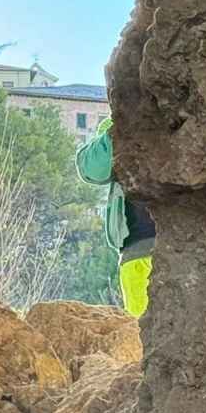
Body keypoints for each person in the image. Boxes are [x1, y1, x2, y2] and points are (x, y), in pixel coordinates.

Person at [76, 116, 155, 317]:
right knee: (143, 333)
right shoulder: (118, 120)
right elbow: (92, 170)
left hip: (187, 246)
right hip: (139, 249)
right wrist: (119, 128)